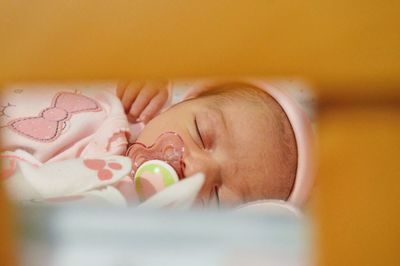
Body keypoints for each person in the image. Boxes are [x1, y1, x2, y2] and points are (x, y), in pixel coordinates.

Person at [0, 80, 313, 207]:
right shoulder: (122, 104)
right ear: (181, 103)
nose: (198, 171)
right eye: (202, 134)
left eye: (217, 196)